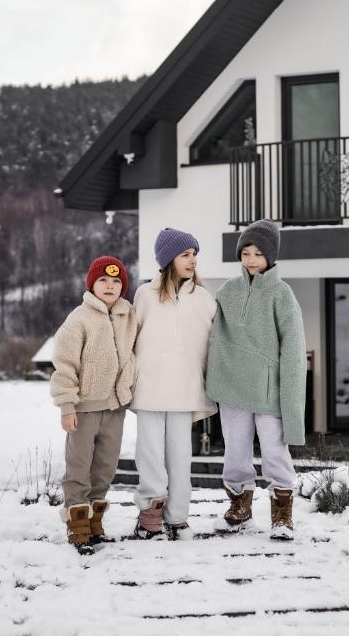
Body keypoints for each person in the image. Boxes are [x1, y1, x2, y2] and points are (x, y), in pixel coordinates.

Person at [206, 219, 307, 540]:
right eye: (245, 252)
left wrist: (289, 395)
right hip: (233, 387)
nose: (250, 259)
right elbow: (213, 336)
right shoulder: (227, 291)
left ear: (271, 257)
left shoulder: (282, 293)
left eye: (258, 253)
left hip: (268, 392)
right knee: (235, 451)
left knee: (275, 451)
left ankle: (282, 515)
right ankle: (240, 505)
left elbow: (293, 348)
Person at [131, 227, 217, 540]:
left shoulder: (204, 299)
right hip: (149, 389)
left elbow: (215, 345)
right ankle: (151, 513)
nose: (192, 260)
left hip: (185, 390)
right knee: (150, 454)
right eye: (185, 255)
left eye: (194, 254)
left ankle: (177, 516)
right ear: (169, 259)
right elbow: (130, 338)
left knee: (181, 455)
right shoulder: (145, 295)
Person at [50, 255, 136, 553]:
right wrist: (66, 405)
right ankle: (77, 523)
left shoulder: (128, 316)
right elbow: (64, 364)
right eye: (103, 280)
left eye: (116, 282)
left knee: (105, 467)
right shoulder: (79, 319)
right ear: (92, 284)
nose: (110, 286)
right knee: (79, 467)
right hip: (84, 408)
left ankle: (95, 521)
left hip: (115, 408)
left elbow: (133, 355)